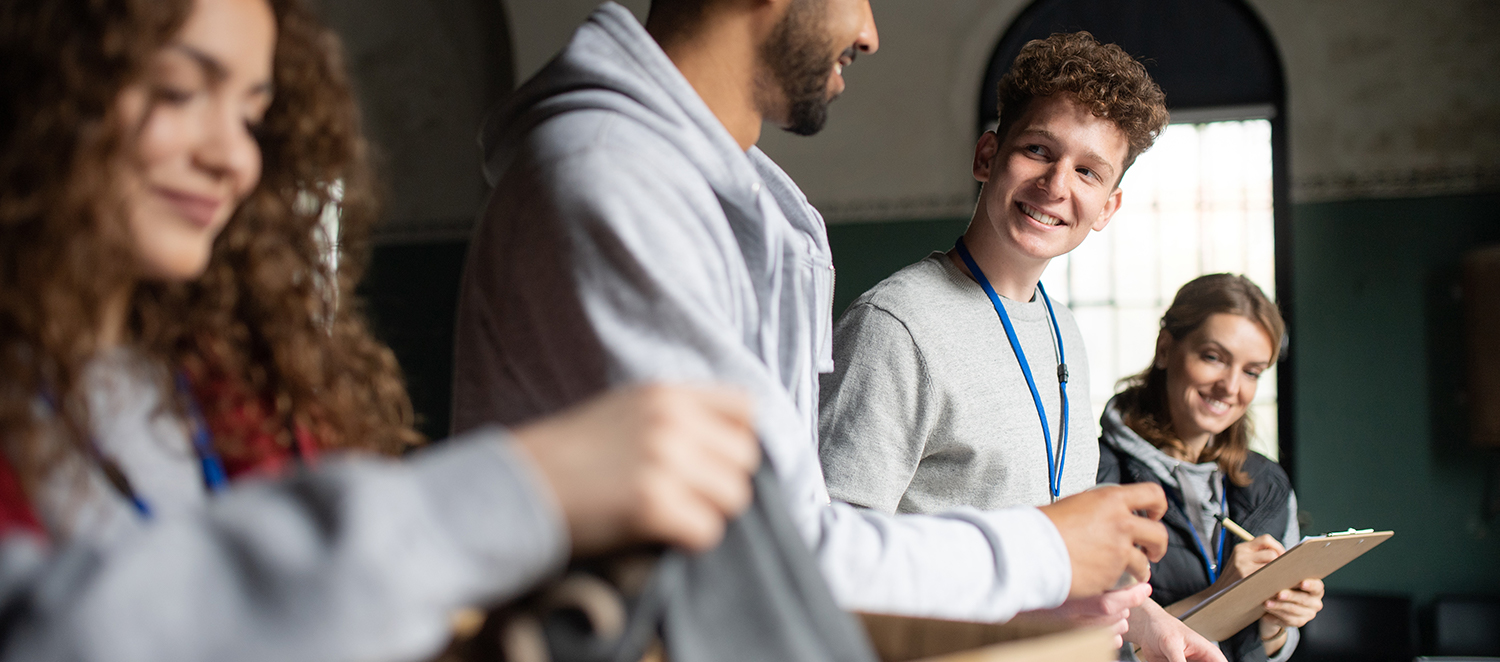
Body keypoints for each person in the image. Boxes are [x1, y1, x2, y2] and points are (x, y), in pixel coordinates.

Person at [0, 0, 760, 659]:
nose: (230, 156)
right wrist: (518, 489)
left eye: (252, 115)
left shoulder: (240, 386)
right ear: (39, 83)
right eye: (178, 91)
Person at [453, 0, 1176, 635]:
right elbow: (772, 558)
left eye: (1089, 171)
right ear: (989, 156)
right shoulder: (613, 181)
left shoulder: (743, 200)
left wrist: (1114, 598)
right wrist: (1043, 556)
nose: (869, 33)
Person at [812, 32, 1224, 660]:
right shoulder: (895, 326)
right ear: (987, 155)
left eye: (1088, 171)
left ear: (1108, 207)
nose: (1058, 184)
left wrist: (1154, 626)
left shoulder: (1063, 331)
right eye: (1038, 150)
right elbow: (831, 561)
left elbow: (1071, 539)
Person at [1098, 274, 1324, 661]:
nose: (1231, 387)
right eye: (1214, 357)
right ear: (1165, 349)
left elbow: (1270, 651)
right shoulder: (1094, 475)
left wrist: (1275, 625)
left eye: (1252, 371)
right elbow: (1094, 648)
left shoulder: (1269, 485)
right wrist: (1221, 596)